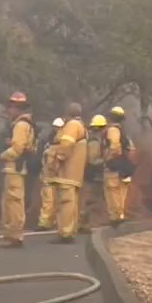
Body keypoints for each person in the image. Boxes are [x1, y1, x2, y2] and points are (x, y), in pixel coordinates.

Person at [0, 92, 35, 248]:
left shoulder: (20, 125)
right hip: (14, 168)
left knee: (14, 202)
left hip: (14, 167)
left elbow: (17, 148)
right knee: (11, 202)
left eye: (12, 107)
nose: (9, 110)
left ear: (18, 108)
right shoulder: (22, 124)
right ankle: (12, 234)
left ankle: (15, 235)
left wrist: (3, 155)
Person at [50, 103, 88, 243]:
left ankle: (65, 233)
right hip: (74, 173)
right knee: (71, 202)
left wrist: (59, 158)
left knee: (65, 202)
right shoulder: (81, 125)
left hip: (67, 172)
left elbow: (66, 144)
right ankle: (70, 230)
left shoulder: (72, 125)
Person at [104, 106, 135, 226]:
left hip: (114, 167)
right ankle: (119, 215)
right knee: (121, 192)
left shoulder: (113, 130)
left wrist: (109, 159)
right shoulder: (124, 132)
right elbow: (131, 149)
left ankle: (115, 217)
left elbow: (114, 146)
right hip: (123, 167)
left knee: (112, 192)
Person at [35, 117, 63, 231]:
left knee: (56, 200)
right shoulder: (50, 143)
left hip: (57, 175)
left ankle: (51, 222)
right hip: (50, 175)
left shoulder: (59, 144)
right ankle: (46, 222)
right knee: (48, 199)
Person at [80, 114, 107, 233]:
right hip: (93, 175)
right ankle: (84, 224)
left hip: (91, 174)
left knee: (90, 199)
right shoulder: (94, 142)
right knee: (90, 200)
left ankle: (83, 223)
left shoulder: (93, 139)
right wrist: (106, 160)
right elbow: (92, 160)